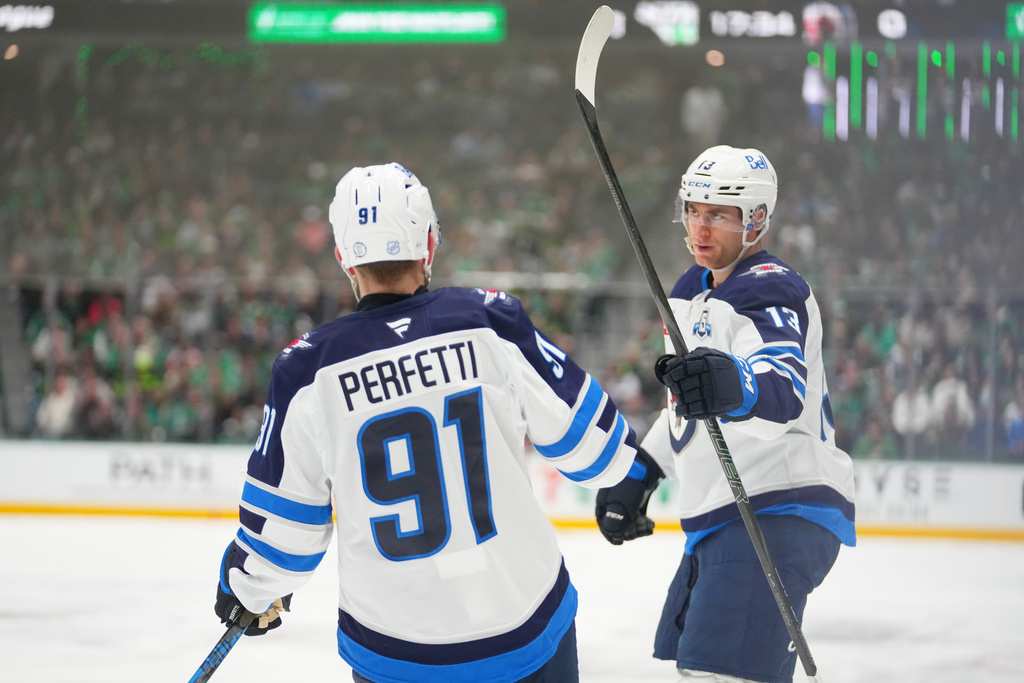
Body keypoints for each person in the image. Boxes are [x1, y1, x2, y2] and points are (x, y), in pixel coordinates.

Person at [207, 162, 650, 683]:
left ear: (344, 259)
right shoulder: (491, 321)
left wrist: (244, 586)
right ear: (429, 245)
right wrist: (630, 468)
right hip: (526, 630)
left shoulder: (307, 371)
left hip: (397, 654)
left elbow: (281, 539)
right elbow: (596, 451)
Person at [595, 146, 856, 683]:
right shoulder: (690, 290)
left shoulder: (771, 287)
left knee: (720, 675)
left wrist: (733, 383)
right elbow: (686, 410)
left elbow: (781, 390)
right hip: (722, 517)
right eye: (693, 209)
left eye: (718, 214)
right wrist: (640, 472)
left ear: (755, 219)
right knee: (700, 671)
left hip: (778, 509)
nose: (699, 226)